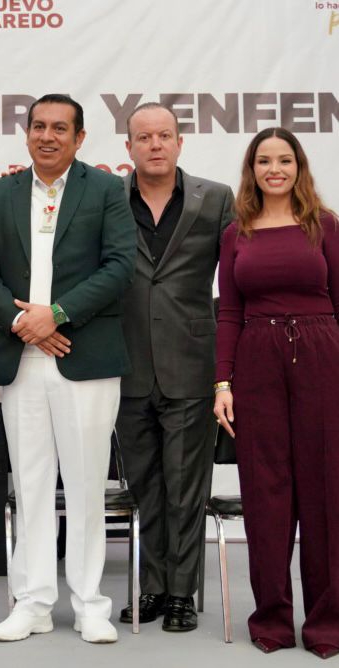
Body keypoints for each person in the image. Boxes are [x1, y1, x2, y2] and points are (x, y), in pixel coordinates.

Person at [0, 94, 135, 644]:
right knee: (32, 483)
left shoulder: (108, 190)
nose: (48, 136)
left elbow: (120, 265)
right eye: (38, 126)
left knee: (87, 483)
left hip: (83, 357)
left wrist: (57, 315)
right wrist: (24, 325)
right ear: (26, 133)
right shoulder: (0, 194)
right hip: (22, 357)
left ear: (80, 137)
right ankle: (34, 603)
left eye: (60, 128)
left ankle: (91, 604)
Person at [214, 127, 339, 659]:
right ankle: (271, 620)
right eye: (264, 160)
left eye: (284, 160)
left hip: (322, 352)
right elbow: (228, 312)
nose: (275, 170)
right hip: (257, 356)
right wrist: (223, 382)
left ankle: (327, 623)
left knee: (325, 492)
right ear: (252, 169)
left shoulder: (325, 226)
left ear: (299, 166)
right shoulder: (236, 231)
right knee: (265, 492)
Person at [115, 103, 235, 632]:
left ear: (180, 142)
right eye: (145, 137)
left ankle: (182, 594)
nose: (155, 145)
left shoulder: (215, 199)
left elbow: (233, 285)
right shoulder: (104, 199)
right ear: (129, 147)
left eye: (165, 135)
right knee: (146, 487)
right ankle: (153, 590)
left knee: (186, 488)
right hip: (126, 364)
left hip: (192, 362)